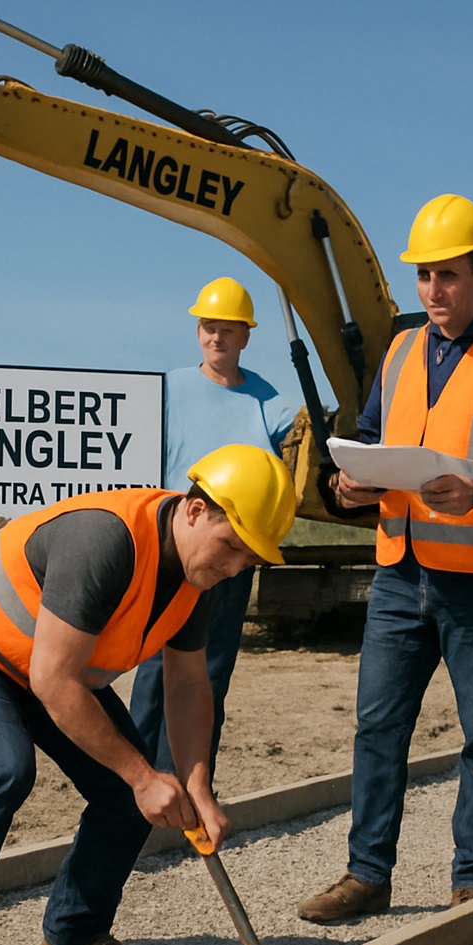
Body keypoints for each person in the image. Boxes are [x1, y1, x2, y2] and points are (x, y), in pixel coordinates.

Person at [0, 445, 296, 945]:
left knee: (126, 796)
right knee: (0, 771)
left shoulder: (198, 579)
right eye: (231, 547)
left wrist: (196, 781)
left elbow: (190, 685)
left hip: (44, 666)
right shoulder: (106, 540)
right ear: (195, 510)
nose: (235, 567)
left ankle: (74, 935)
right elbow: (56, 682)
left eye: (250, 558)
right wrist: (144, 775)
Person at [297, 193, 473, 922]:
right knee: (378, 727)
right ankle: (367, 876)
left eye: (448, 274)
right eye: (424, 276)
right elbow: (370, 437)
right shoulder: (401, 348)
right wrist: (348, 484)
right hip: (399, 573)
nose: (434, 291)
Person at [128, 277, 297, 781]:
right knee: (155, 667)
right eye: (208, 327)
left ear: (246, 335)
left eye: (227, 329)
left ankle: (189, 783)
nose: (216, 338)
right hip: (171, 549)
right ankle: (135, 786)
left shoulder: (270, 403)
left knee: (209, 672)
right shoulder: (167, 389)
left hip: (229, 558)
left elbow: (303, 456)